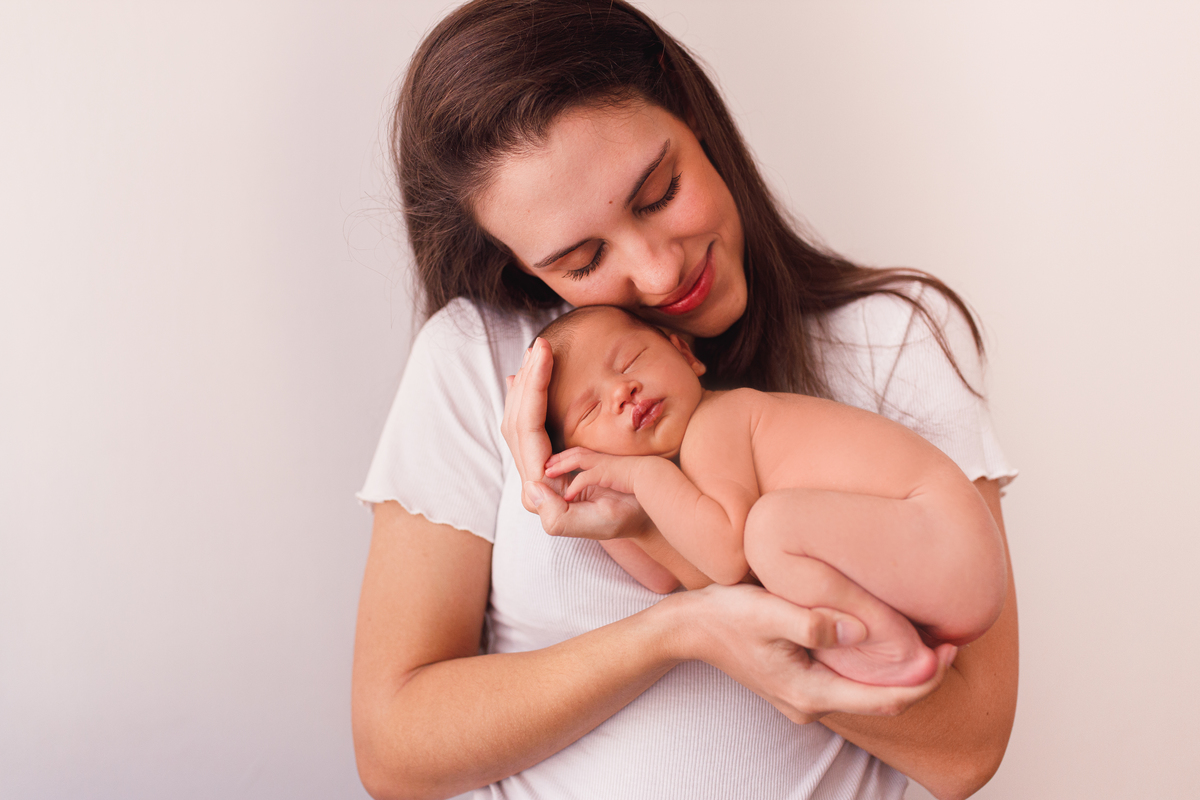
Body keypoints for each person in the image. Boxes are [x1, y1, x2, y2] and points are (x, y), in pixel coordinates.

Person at [353, 1, 1018, 798]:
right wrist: (675, 634)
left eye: (659, 191)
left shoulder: (890, 340)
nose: (661, 274)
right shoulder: (480, 361)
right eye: (581, 258)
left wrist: (681, 553)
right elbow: (394, 755)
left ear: (693, 115)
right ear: (521, 267)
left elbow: (965, 748)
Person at [535, 304, 1007, 688]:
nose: (622, 390)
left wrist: (637, 477)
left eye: (630, 360)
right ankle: (891, 640)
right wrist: (587, 495)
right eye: (592, 409)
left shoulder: (717, 422)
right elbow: (669, 575)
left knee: (768, 527)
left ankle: (887, 646)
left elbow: (725, 561)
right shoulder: (695, 479)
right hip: (936, 559)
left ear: (684, 352)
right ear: (580, 453)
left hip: (945, 538)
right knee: (767, 530)